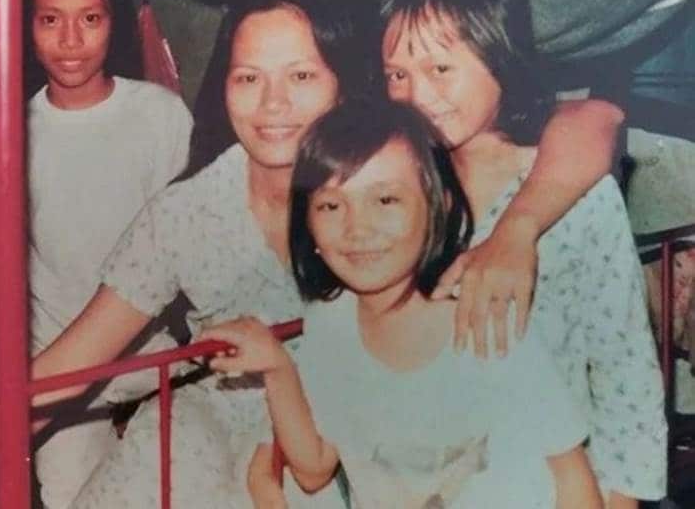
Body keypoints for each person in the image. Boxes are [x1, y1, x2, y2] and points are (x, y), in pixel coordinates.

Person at [0, 0, 621, 508]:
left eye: (300, 76)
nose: (271, 106)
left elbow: (591, 121)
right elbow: (62, 371)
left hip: (372, 439)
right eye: (247, 77)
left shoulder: (396, 163)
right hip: (236, 434)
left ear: (344, 83)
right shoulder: (190, 214)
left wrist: (516, 230)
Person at [204, 97, 603, 508]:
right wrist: (277, 367)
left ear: (438, 208)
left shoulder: (483, 319)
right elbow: (314, 467)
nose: (356, 228)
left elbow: (572, 480)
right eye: (330, 205)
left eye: (385, 200)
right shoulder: (331, 323)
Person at [379, 0, 666, 507]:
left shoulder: (574, 196)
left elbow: (623, 367)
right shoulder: (399, 198)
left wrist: (621, 497)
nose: (417, 95)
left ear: (499, 59)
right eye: (398, 75)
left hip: (557, 485)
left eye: (440, 68)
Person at [0, 0, 193, 508]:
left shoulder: (162, 116)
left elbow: (196, 241)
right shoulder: (11, 132)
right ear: (27, 27)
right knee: (70, 497)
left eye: (89, 19)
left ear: (113, 25)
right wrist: (5, 379)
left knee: (183, 487)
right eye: (50, 20)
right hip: (55, 363)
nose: (70, 40)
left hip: (153, 351)